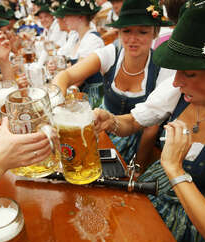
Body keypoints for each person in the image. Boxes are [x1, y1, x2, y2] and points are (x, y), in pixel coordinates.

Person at [94, 1, 205, 242]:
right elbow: (133, 122)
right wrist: (111, 121)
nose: (176, 81)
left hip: (188, 228)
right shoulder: (179, 92)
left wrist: (175, 170)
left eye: (190, 73)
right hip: (148, 195)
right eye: (176, 71)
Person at [54, 0, 174, 167]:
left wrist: (137, 167)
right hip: (101, 124)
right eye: (126, 31)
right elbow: (65, 76)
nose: (133, 39)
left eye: (143, 32)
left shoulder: (163, 70)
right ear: (118, 33)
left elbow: (150, 128)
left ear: (155, 33)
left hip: (135, 139)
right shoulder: (111, 54)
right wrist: (56, 103)